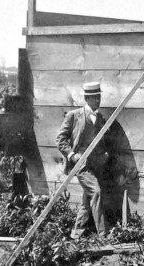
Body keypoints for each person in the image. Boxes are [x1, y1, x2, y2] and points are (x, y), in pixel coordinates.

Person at [56, 81, 117, 239]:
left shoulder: (101, 119)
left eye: (99, 97)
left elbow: (108, 141)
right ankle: (104, 233)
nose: (98, 100)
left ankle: (77, 233)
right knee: (96, 192)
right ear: (87, 99)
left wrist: (105, 155)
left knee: (87, 199)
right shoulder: (74, 116)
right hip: (81, 165)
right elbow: (60, 139)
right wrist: (71, 155)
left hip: (98, 164)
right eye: (94, 97)